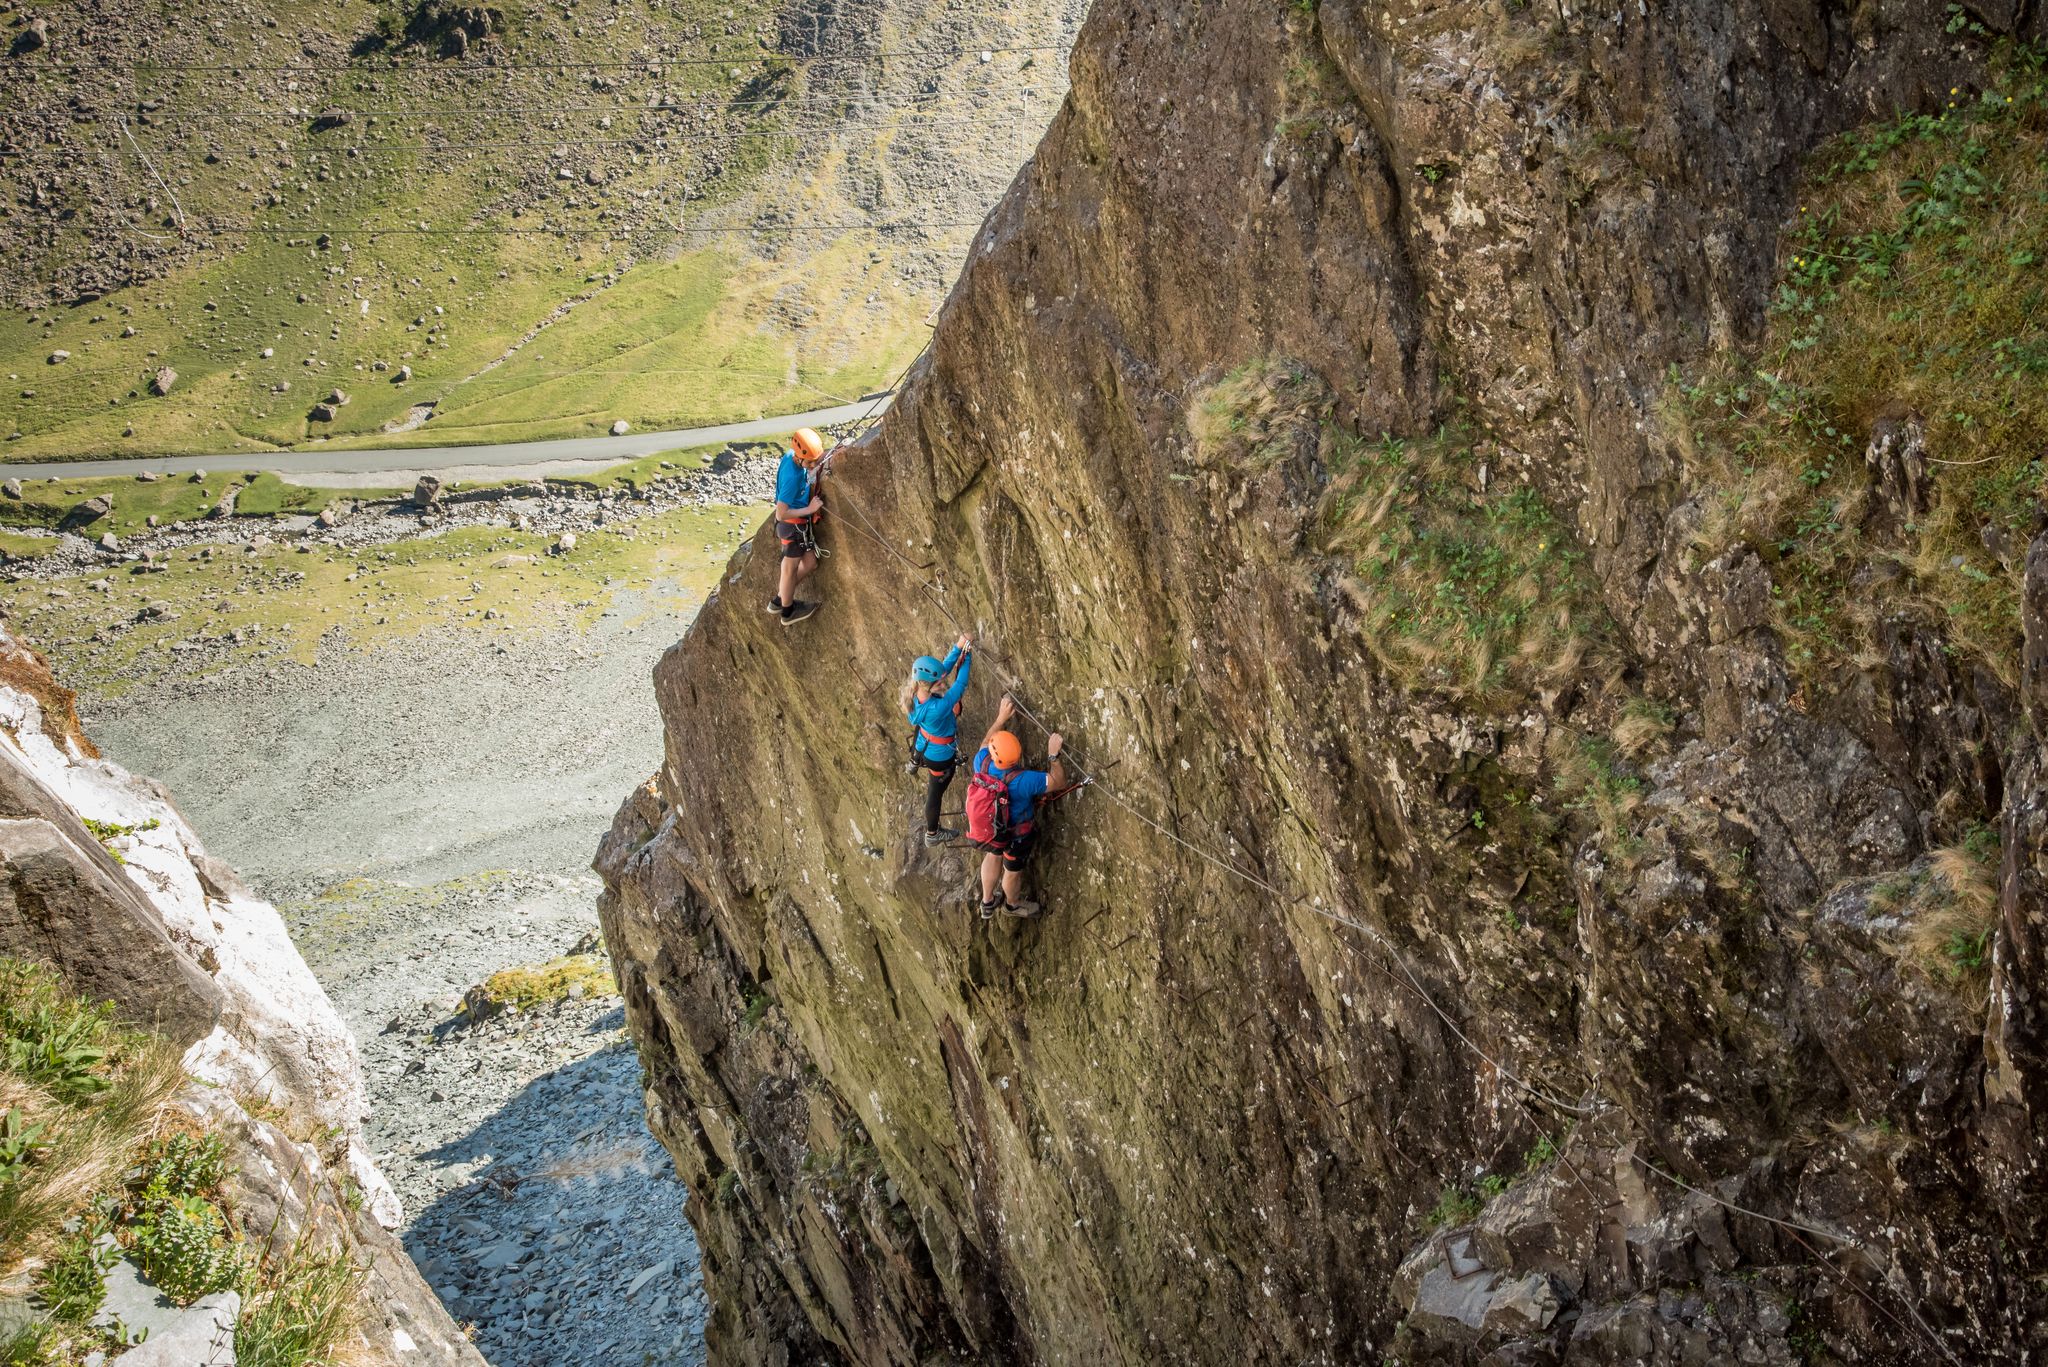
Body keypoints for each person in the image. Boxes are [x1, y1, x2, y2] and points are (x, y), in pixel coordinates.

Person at [967, 697, 1064, 918]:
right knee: (1011, 871)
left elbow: (985, 742)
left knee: (993, 855)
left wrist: (1001, 718)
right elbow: (1058, 782)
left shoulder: (981, 762)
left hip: (991, 828)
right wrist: (1053, 756)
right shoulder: (1025, 780)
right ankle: (1012, 905)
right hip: (1017, 836)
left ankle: (988, 901)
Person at [902, 634, 974, 847]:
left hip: (925, 743)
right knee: (935, 791)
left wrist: (959, 646)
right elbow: (960, 684)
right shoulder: (937, 708)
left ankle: (915, 761)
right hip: (939, 757)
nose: (944, 683)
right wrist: (967, 657)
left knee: (922, 727)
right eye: (940, 683)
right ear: (929, 685)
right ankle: (932, 833)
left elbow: (943, 669)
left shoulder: (915, 693)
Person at [767, 426, 828, 626]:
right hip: (792, 527)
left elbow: (812, 460)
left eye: (814, 461)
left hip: (795, 527)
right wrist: (810, 509)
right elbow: (781, 512)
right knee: (789, 569)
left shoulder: (791, 456)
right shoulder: (793, 478)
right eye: (809, 462)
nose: (812, 465)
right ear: (800, 457)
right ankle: (788, 611)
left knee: (810, 563)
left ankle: (779, 599)